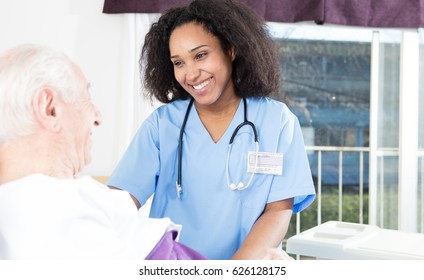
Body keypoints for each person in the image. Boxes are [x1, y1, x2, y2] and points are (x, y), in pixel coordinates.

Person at [107, 0, 316, 260]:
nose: (191, 74)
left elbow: (277, 211)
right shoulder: (162, 125)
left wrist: (232, 272)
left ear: (230, 49)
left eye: (200, 55)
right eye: (178, 62)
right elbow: (120, 201)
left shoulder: (277, 121)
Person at [0, 44, 206, 260]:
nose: (98, 117)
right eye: (86, 99)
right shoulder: (50, 208)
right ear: (49, 109)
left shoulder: (41, 201)